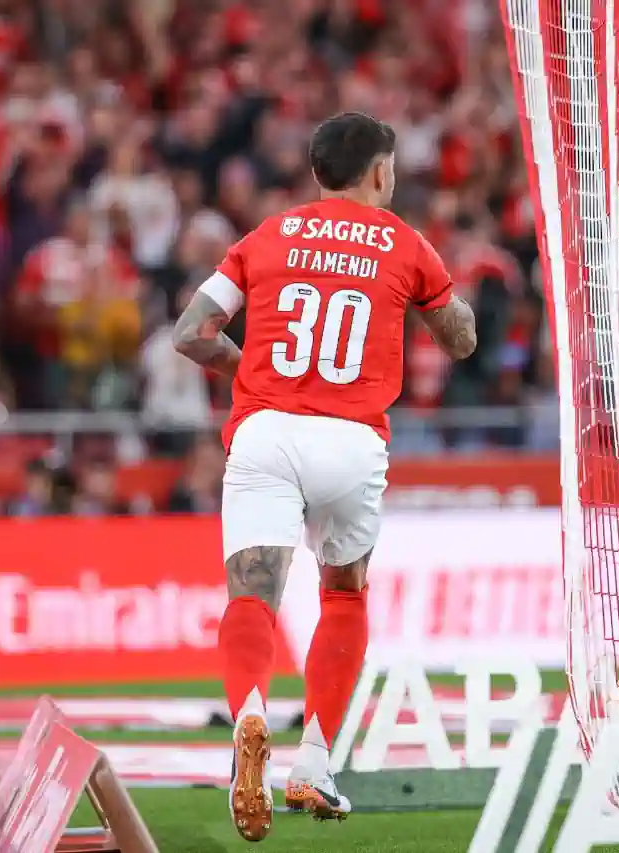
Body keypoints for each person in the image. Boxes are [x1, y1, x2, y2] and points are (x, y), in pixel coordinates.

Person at [171, 112, 477, 842]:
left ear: (315, 174)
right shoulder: (405, 243)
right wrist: (442, 298)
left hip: (267, 431)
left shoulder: (265, 237)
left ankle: (248, 712)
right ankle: (313, 759)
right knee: (343, 593)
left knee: (253, 597)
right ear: (379, 173)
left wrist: (253, 368)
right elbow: (460, 339)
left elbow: (189, 334)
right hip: (350, 439)